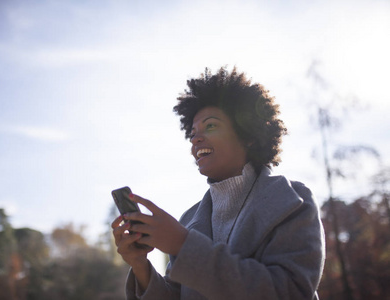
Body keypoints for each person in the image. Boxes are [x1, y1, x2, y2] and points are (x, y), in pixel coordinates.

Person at [111, 67, 325, 300]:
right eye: (192, 133)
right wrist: (140, 266)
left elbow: (289, 292)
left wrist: (183, 246)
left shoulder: (293, 200)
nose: (196, 138)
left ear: (249, 135)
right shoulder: (189, 219)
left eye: (210, 126)